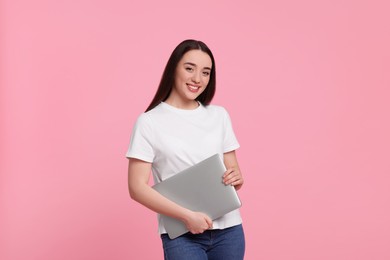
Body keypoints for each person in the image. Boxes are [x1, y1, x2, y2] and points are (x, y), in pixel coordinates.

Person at [126, 39, 245, 260]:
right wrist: (187, 216)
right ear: (174, 69)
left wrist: (236, 177)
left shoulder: (219, 116)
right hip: (182, 234)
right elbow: (136, 188)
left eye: (206, 72)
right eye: (189, 68)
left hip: (229, 231)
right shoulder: (149, 122)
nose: (197, 79)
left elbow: (234, 177)